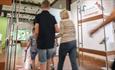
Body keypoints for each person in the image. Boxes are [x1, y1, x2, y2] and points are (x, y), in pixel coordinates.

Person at [34, 1, 60, 70]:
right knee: (48, 61)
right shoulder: (52, 17)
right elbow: (57, 30)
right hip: (51, 44)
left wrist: (36, 40)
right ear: (49, 7)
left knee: (42, 63)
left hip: (41, 43)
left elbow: (36, 31)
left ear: (41, 6)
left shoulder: (38, 16)